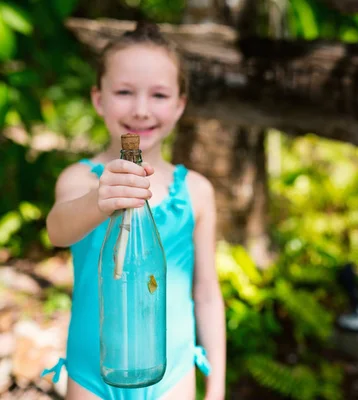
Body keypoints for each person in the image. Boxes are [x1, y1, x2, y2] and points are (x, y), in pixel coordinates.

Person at [42, 21, 226, 400]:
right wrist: (99, 199)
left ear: (180, 104)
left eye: (158, 95)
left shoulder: (195, 192)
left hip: (172, 375)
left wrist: (217, 386)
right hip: (93, 374)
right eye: (125, 92)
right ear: (99, 99)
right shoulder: (81, 180)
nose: (141, 110)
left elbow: (206, 293)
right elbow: (58, 230)